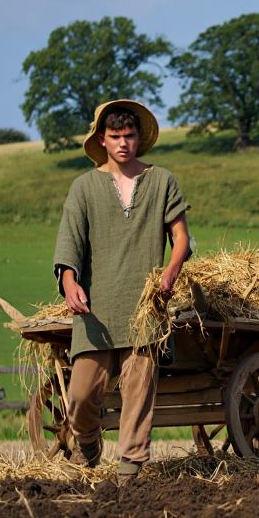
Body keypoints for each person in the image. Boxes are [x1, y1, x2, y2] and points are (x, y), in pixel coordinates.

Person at [53, 99, 190, 484]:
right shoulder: (83, 188)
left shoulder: (161, 181)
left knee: (137, 391)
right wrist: (68, 282)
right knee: (81, 393)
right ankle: (89, 442)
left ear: (138, 138)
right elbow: (69, 246)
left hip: (146, 308)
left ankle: (130, 466)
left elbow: (181, 238)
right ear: (102, 140)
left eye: (129, 136)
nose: (123, 143)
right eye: (115, 137)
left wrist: (171, 271)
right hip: (96, 311)